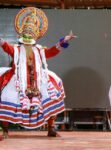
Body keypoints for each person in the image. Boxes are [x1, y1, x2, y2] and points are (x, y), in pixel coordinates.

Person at [0, 7, 76, 138]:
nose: (28, 39)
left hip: (38, 79)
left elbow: (52, 51)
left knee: (51, 96)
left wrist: (64, 41)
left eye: (31, 35)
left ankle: (51, 128)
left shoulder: (39, 50)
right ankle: (5, 129)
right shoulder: (16, 49)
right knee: (8, 97)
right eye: (26, 35)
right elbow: (6, 46)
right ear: (22, 36)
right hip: (19, 80)